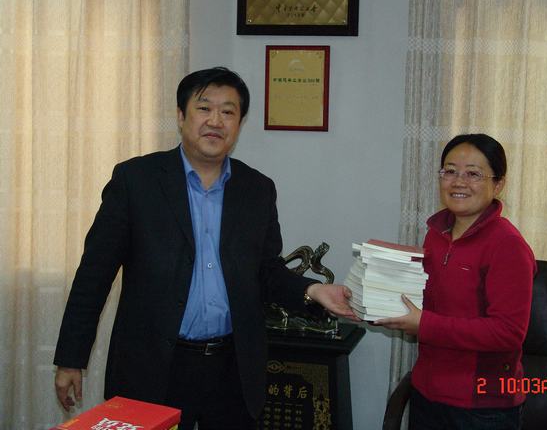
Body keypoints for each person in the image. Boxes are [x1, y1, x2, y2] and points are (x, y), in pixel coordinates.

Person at [53, 67, 358, 429]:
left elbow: (266, 272)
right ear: (181, 116)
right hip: (154, 366)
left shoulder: (257, 189)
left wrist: (313, 290)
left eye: (228, 111)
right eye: (204, 108)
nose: (215, 121)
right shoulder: (136, 181)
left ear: (239, 123)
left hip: (233, 370)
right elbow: (94, 274)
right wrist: (71, 358)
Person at [376, 134, 535, 430]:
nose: (459, 182)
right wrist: (374, 301)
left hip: (482, 407)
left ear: (498, 184)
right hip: (427, 392)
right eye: (450, 171)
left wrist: (424, 324)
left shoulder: (508, 245)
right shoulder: (436, 234)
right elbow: (424, 299)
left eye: (473, 174)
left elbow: (508, 332)